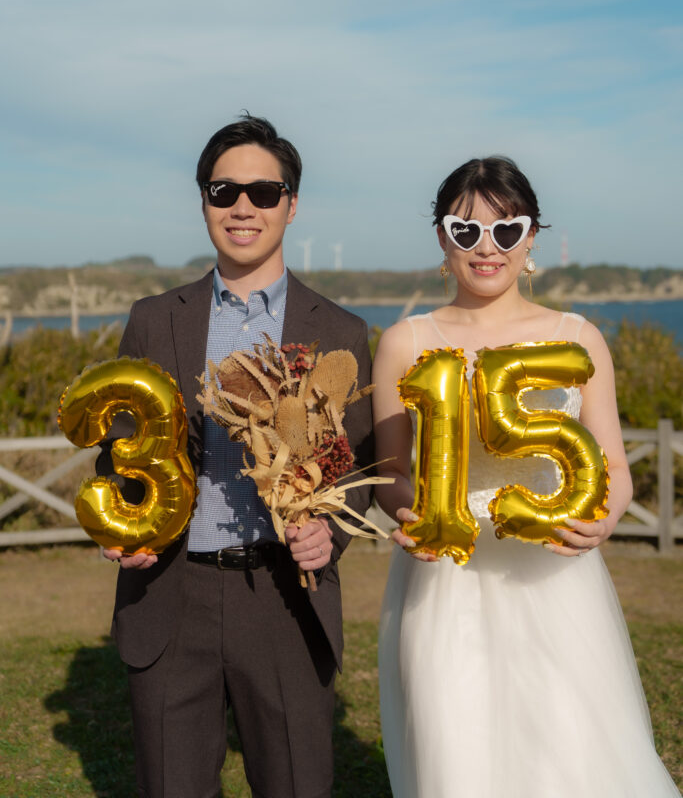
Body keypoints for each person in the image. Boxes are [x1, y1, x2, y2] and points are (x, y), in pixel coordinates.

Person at [372, 156, 680, 798]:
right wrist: (410, 512)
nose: (487, 248)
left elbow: (614, 465)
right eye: (466, 231)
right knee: (457, 751)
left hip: (555, 577)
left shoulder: (578, 337)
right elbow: (390, 472)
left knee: (570, 750)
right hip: (446, 581)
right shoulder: (405, 341)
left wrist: (604, 518)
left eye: (506, 230)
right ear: (442, 239)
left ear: (531, 237)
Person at [96, 114, 373, 798]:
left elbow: (354, 466)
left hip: (285, 597)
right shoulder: (153, 319)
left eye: (263, 192)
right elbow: (119, 448)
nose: (242, 207)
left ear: (291, 204)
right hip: (170, 592)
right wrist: (121, 524)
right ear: (203, 201)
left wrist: (328, 534)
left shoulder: (340, 330)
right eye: (224, 192)